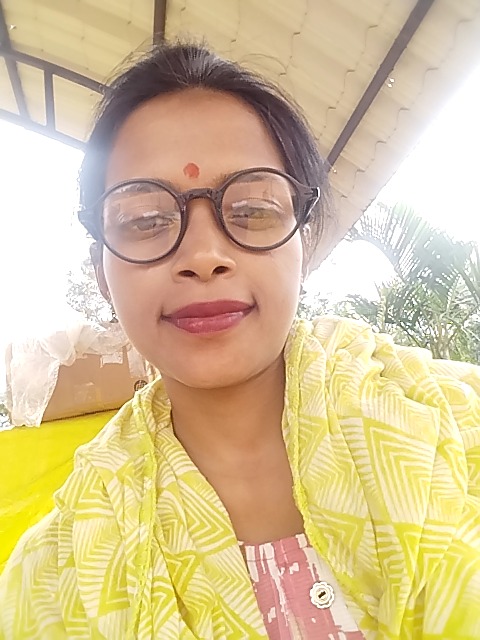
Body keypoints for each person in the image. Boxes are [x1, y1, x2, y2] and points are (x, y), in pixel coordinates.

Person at [0, 41, 479, 640]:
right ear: (101, 269)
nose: (204, 256)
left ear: (304, 242)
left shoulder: (458, 430)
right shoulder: (54, 578)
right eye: (145, 220)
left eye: (252, 209)